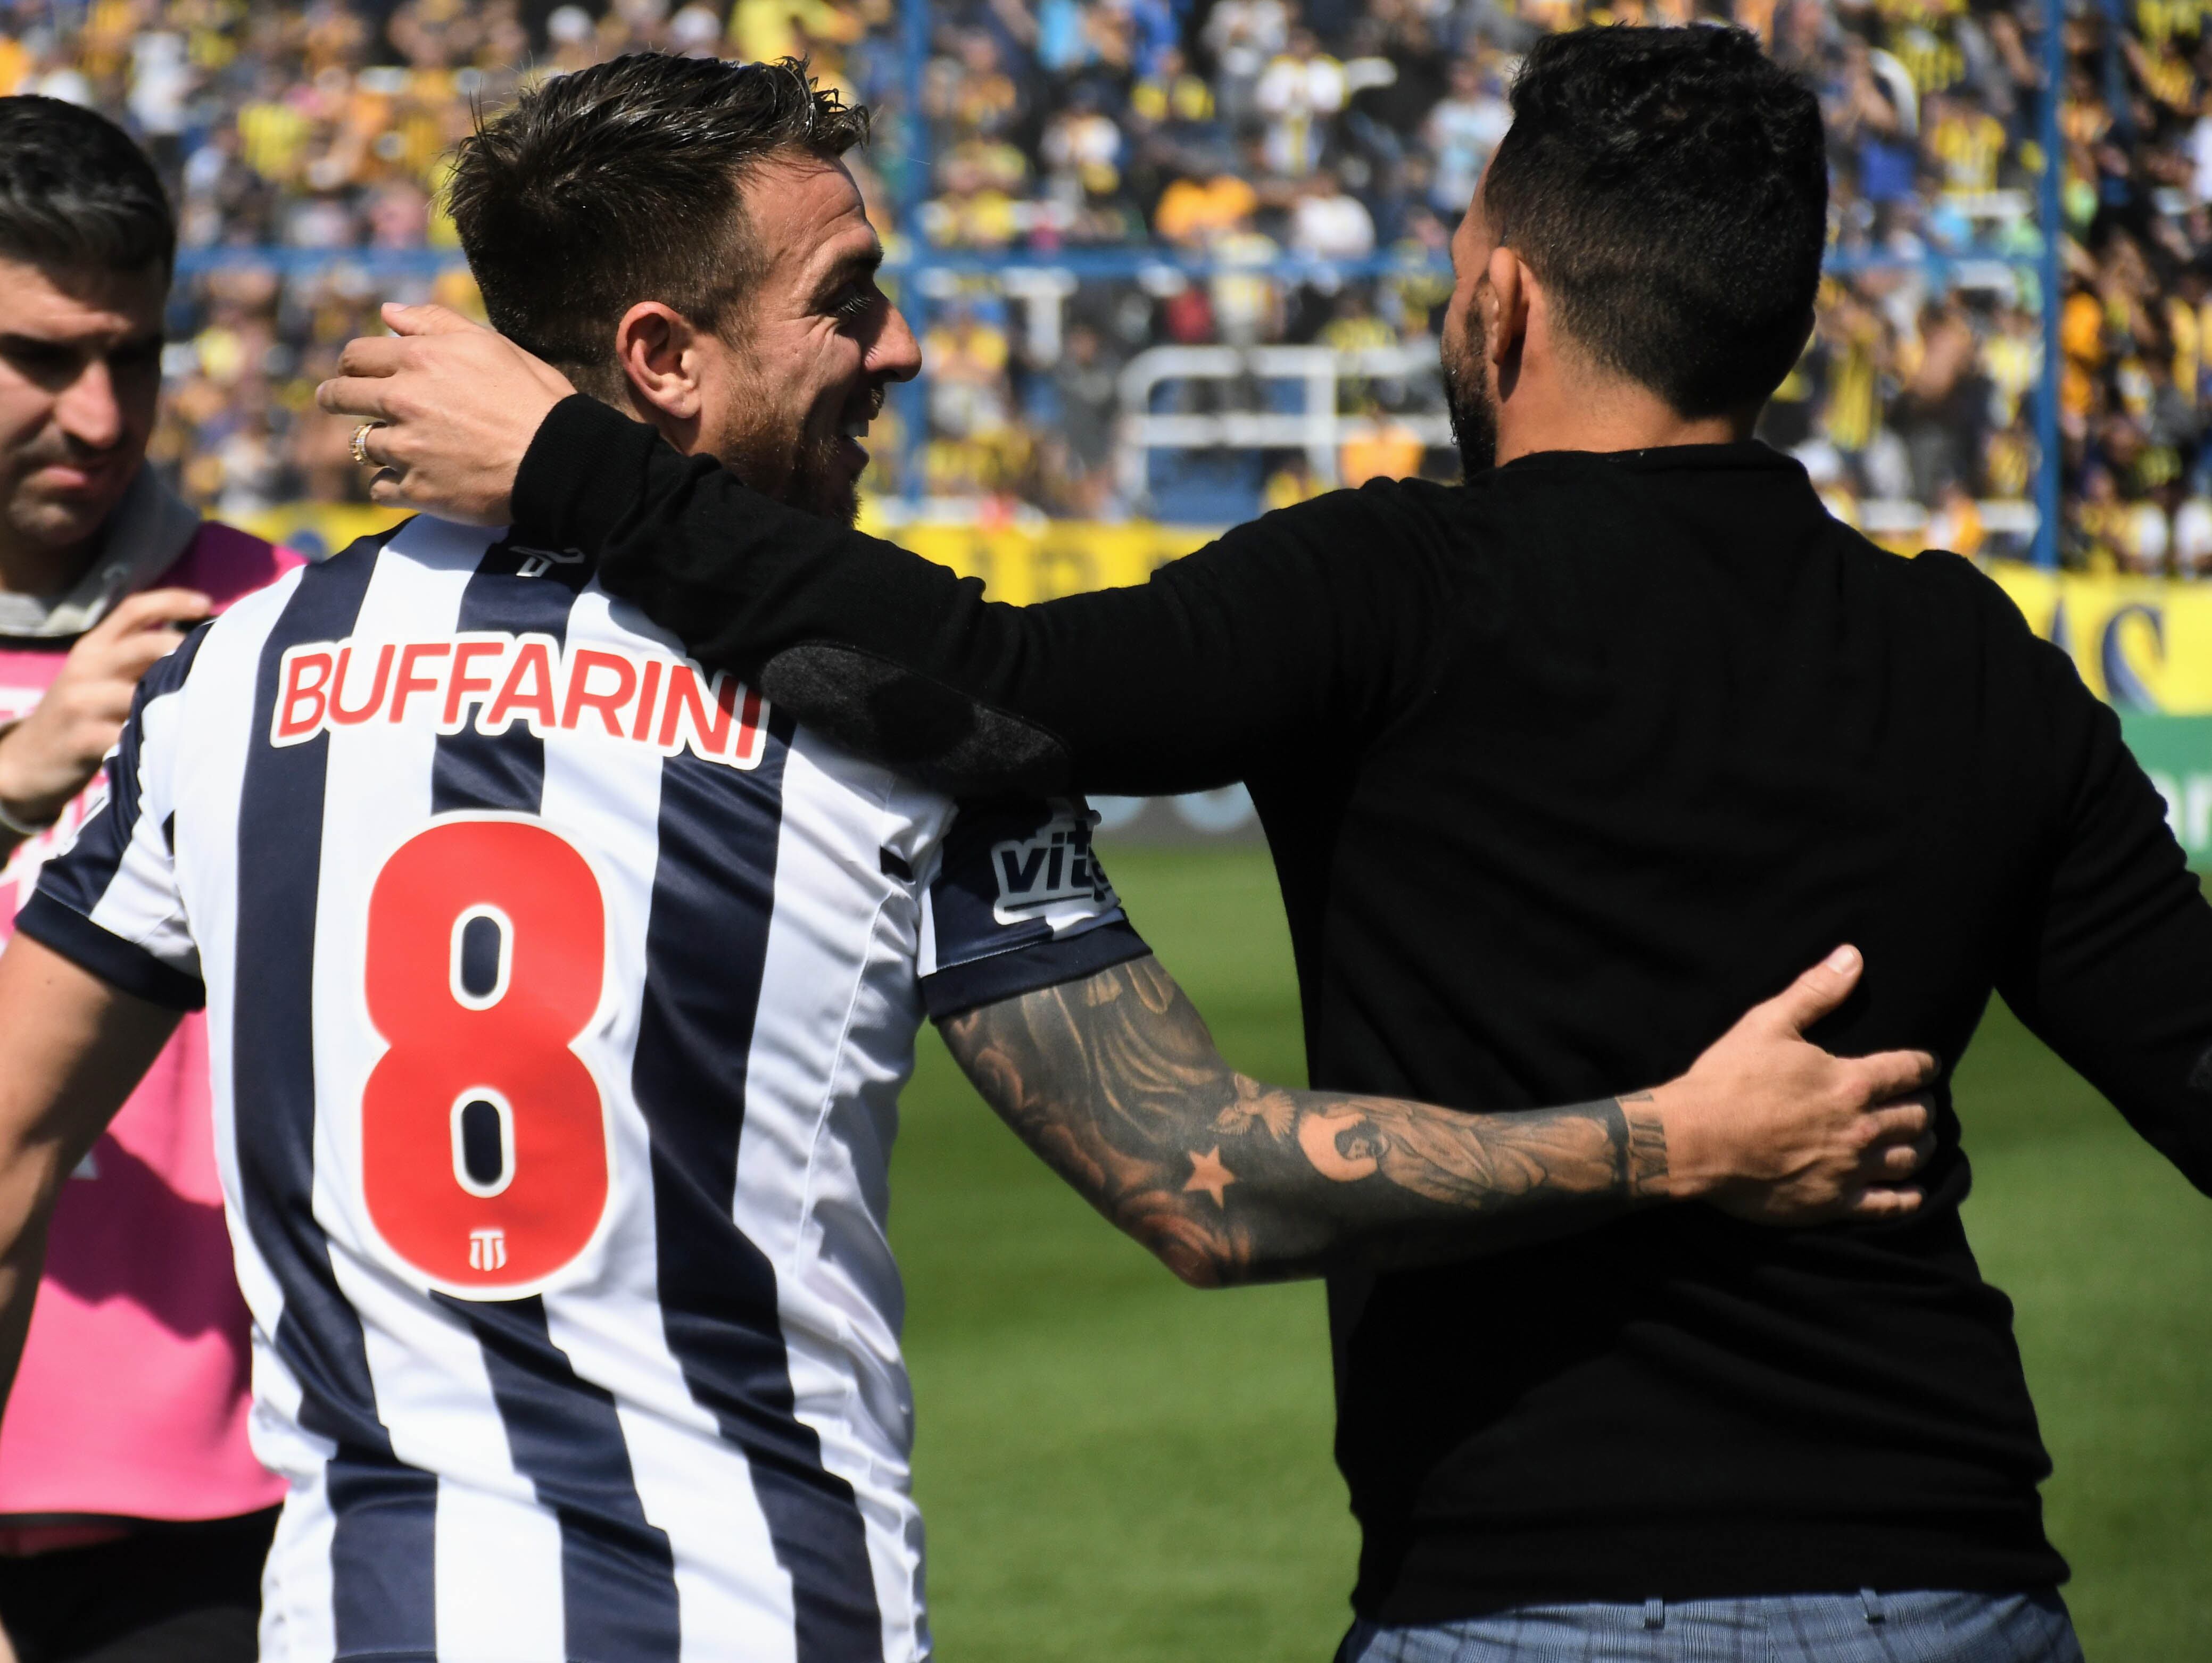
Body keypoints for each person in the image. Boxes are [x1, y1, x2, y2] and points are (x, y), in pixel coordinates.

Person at [0, 55, 1937, 1663]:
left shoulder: (244, 669)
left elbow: (8, 1143)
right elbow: (1208, 1184)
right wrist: (1679, 1141)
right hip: (762, 1617)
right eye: (846, 300)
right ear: (662, 358)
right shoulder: (882, 709)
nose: (905, 349)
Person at [0, 96, 294, 1663]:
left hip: (228, 1513)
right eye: (43, 358)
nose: (103, 415)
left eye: (136, 355)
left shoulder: (283, 629)